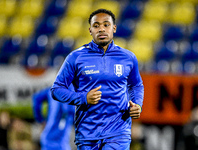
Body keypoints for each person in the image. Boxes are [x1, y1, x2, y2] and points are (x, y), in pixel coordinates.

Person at [51, 8, 144, 150]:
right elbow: (56, 90)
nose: (101, 29)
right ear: (90, 30)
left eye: (106, 25)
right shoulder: (75, 57)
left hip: (118, 132)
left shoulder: (128, 57)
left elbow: (136, 85)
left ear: (114, 28)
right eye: (96, 25)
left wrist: (137, 104)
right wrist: (83, 98)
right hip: (87, 134)